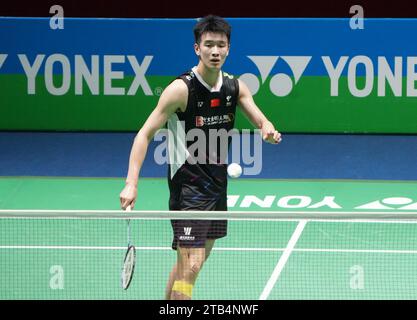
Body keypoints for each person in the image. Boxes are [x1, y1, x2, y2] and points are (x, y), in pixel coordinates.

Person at [119, 15, 282, 300]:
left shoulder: (235, 87)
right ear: (197, 48)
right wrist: (131, 183)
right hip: (188, 189)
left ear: (229, 48)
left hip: (217, 187)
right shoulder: (181, 90)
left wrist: (267, 129)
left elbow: (260, 119)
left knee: (191, 264)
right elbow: (143, 135)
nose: (215, 51)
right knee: (191, 264)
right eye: (209, 45)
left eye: (221, 45)